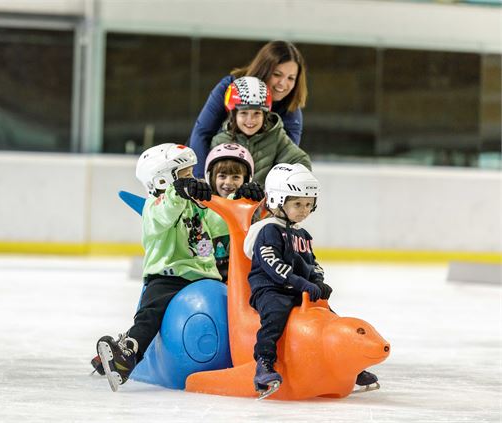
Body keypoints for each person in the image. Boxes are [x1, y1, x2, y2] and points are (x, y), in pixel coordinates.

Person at [243, 163, 378, 395]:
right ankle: (264, 365)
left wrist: (317, 280)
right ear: (276, 200)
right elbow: (273, 265)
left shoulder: (302, 234)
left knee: (330, 318)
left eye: (308, 204)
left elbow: (312, 262)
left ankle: (348, 365)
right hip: (271, 289)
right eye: (297, 204)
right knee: (275, 318)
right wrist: (300, 282)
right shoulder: (268, 231)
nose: (304, 210)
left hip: (298, 289)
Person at [95, 143, 221, 392]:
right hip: (168, 277)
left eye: (192, 173)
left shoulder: (196, 205)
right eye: (185, 174)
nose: (192, 179)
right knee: (149, 315)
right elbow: (166, 213)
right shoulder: (154, 208)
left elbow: (221, 224)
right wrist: (179, 192)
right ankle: (127, 356)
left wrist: (250, 204)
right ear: (163, 180)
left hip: (206, 279)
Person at [189, 40, 308, 178]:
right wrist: (200, 181)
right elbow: (202, 133)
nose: (283, 84)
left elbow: (288, 159)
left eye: (291, 78)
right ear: (264, 70)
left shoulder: (290, 108)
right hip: (214, 173)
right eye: (277, 74)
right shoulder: (230, 88)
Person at [210, 76, 312, 186]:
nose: (250, 120)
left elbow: (301, 161)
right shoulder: (220, 141)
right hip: (230, 202)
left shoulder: (275, 137)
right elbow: (213, 181)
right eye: (243, 113)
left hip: (264, 201)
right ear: (234, 115)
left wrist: (281, 185)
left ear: (265, 114)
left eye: (257, 113)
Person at [204, 143, 264, 281]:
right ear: (212, 178)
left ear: (246, 179)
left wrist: (252, 203)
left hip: (242, 277)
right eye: (222, 176)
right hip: (209, 276)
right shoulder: (203, 206)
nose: (228, 182)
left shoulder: (253, 206)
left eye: (236, 177)